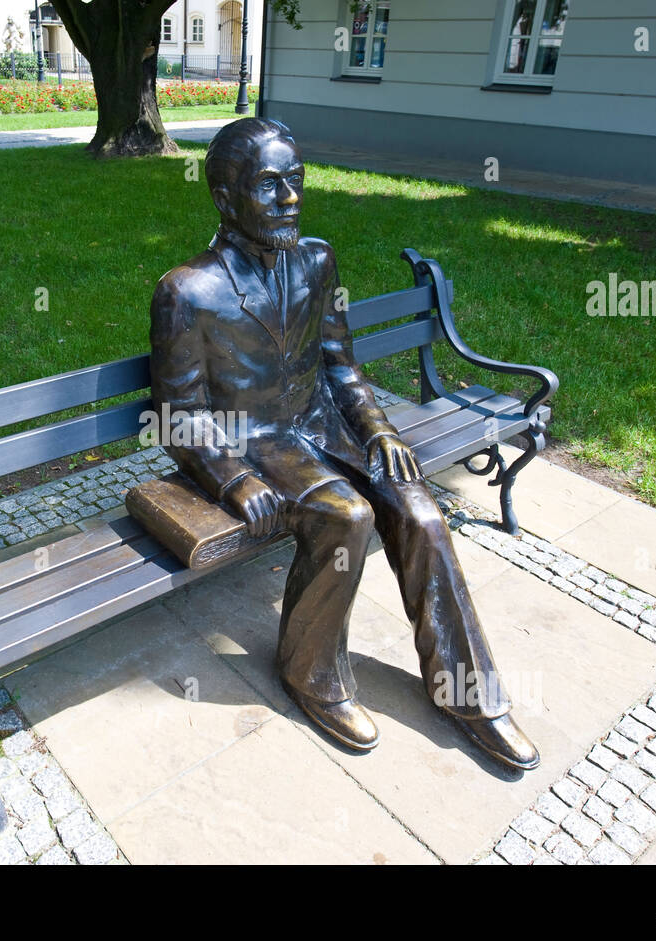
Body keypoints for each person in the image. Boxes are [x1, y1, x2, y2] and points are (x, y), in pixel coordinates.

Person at [148, 118, 539, 769]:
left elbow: (341, 366)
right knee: (348, 516)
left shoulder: (317, 259)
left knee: (422, 514)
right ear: (224, 196)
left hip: (326, 428)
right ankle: (312, 674)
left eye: (295, 182)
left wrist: (380, 431)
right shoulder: (188, 290)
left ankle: (470, 694)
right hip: (258, 446)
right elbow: (178, 416)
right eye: (269, 186)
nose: (290, 199)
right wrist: (234, 479)